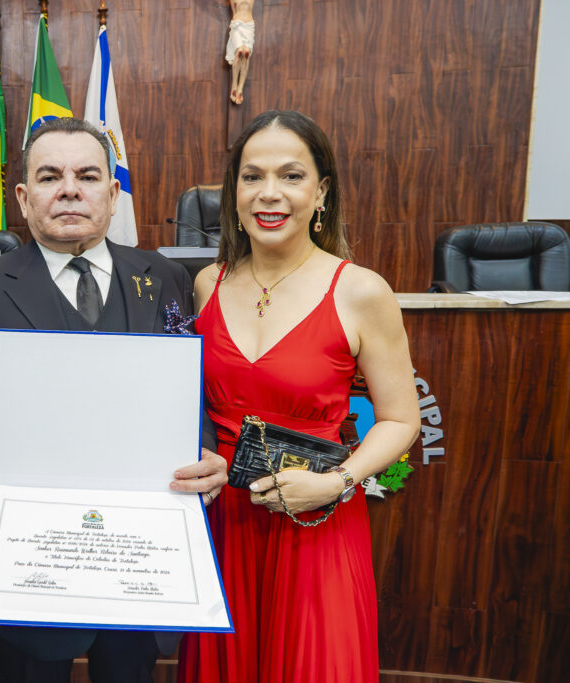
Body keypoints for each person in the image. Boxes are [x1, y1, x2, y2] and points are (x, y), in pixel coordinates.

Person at [0, 117, 228, 683]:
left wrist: (205, 454)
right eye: (49, 176)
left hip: (139, 559)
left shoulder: (163, 277)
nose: (69, 189)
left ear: (113, 195)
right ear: (23, 195)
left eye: (88, 175)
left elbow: (186, 396)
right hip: (30, 561)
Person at [177, 110, 420, 682]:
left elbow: (400, 420)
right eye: (252, 176)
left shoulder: (360, 290)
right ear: (233, 190)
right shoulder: (207, 284)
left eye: (291, 176)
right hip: (227, 524)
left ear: (322, 191)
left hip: (318, 522)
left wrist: (334, 483)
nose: (270, 194)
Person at [226, 1, 255, 105]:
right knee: (239, 52)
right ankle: (234, 85)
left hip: (249, 26)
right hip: (237, 25)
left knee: (246, 54)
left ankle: (240, 89)